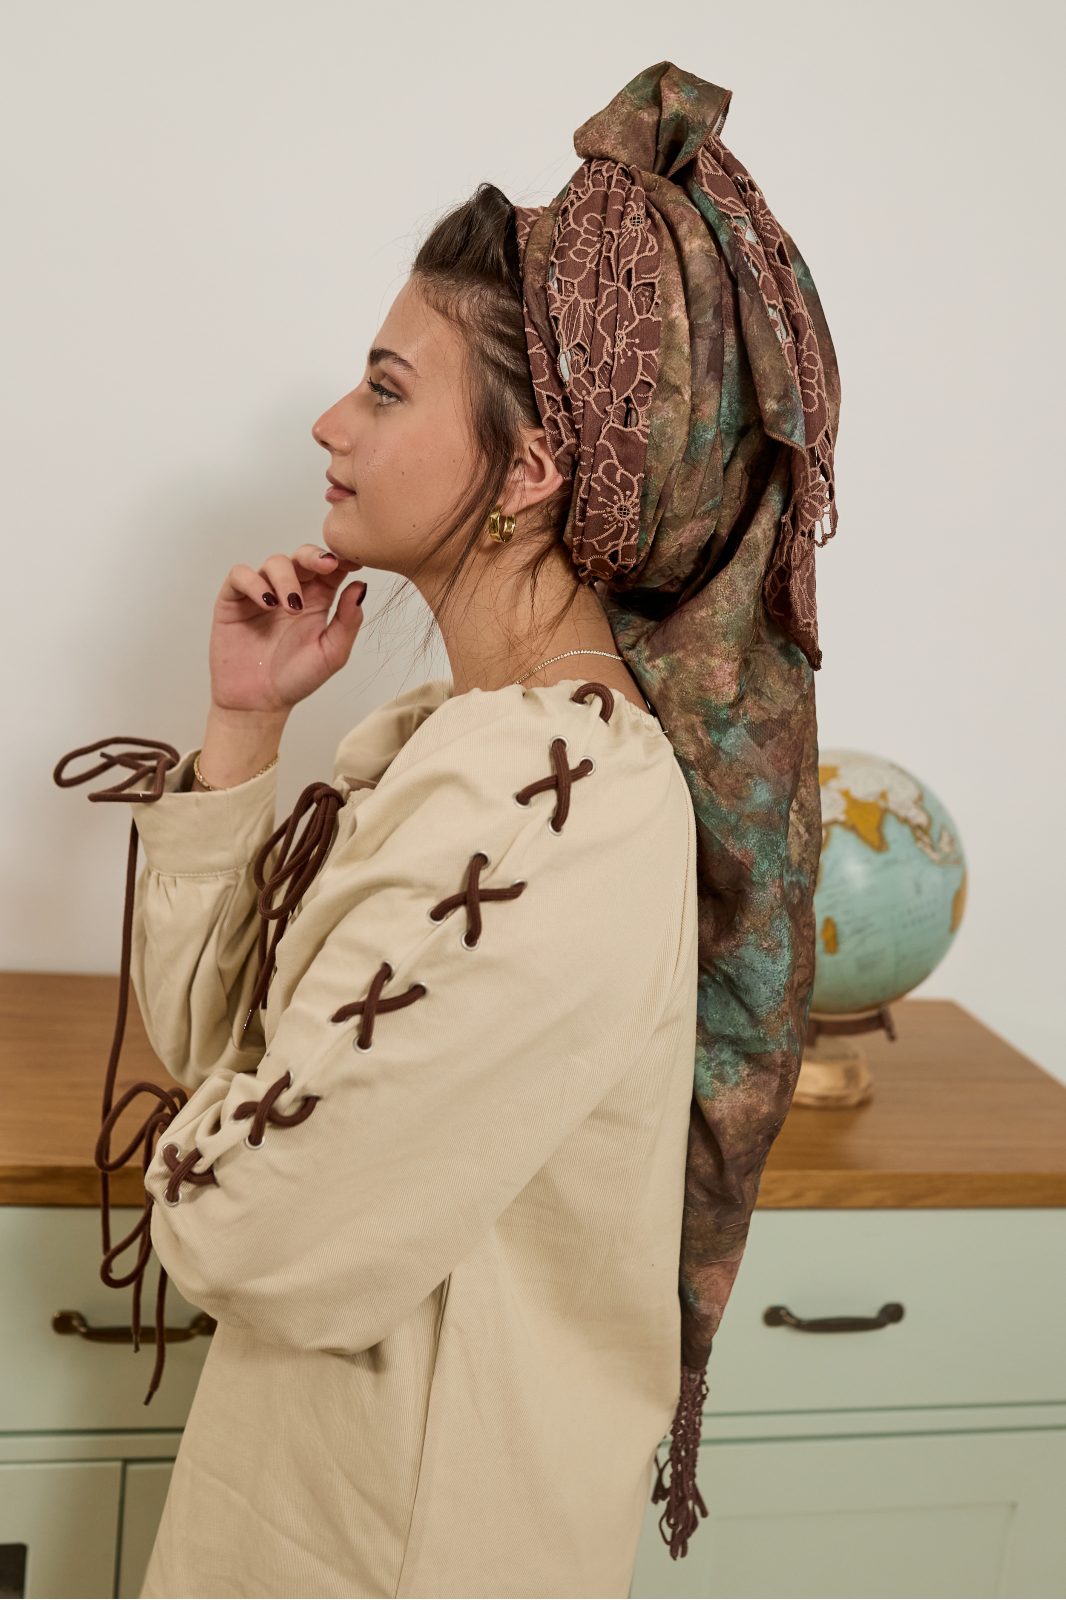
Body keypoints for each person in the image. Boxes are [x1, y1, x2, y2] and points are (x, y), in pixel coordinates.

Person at [51, 60, 840, 1600]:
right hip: (321, 1503)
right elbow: (213, 1047)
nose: (330, 421)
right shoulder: (460, 744)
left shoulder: (556, 812)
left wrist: (219, 1147)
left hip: (401, 1551)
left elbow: (249, 1225)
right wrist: (243, 728)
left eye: (386, 388)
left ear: (533, 471)